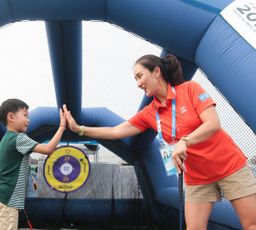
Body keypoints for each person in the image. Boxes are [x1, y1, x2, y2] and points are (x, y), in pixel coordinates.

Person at [63, 54, 256, 229]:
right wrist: (79, 129)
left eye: (139, 76)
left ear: (156, 72)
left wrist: (185, 141)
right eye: (135, 79)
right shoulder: (150, 113)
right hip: (197, 177)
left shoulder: (190, 89)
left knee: (251, 225)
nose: (138, 83)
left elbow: (213, 124)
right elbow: (115, 131)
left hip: (229, 166)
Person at [0, 98, 66, 230]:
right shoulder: (18, 138)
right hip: (6, 198)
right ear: (11, 117)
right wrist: (62, 127)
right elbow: (48, 149)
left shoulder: (7, 138)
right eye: (25, 115)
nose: (29, 120)